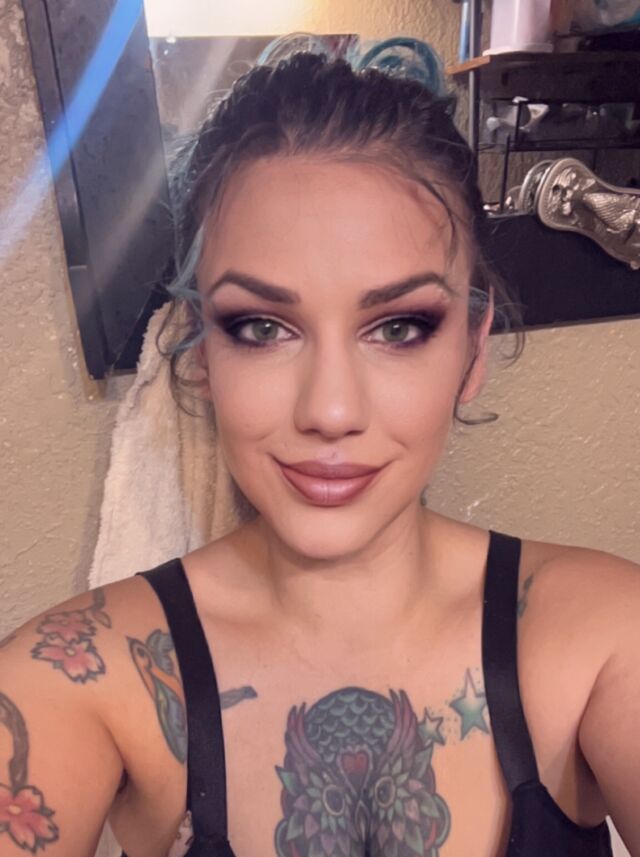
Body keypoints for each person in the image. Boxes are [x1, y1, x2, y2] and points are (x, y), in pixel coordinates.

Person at [1, 33, 638, 857]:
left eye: (399, 327)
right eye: (262, 327)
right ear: (201, 352)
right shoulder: (77, 675)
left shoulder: (604, 637)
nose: (330, 410)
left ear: (472, 349)